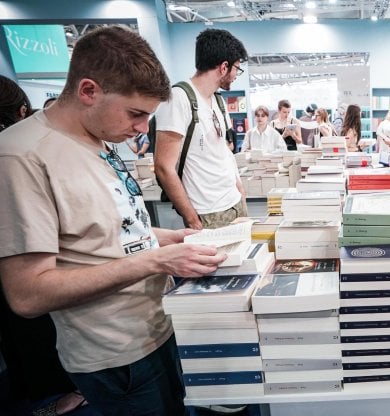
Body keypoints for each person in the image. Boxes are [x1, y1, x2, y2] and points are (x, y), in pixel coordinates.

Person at [0, 26, 228, 416]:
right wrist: (154, 261)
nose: (142, 129)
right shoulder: (22, 157)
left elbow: (108, 230)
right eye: (136, 114)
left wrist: (168, 238)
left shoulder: (97, 137)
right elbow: (27, 294)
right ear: (88, 91)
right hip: (115, 354)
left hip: (157, 325)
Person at [0, 76, 91, 416]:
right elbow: (29, 296)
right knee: (35, 327)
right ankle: (58, 389)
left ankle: (46, 389)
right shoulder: (19, 153)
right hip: (34, 265)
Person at [155, 28, 248, 230]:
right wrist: (191, 218)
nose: (235, 76)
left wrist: (240, 190)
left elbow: (224, 150)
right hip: (207, 211)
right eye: (236, 69)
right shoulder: (179, 98)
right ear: (224, 67)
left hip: (234, 202)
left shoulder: (218, 100)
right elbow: (163, 167)